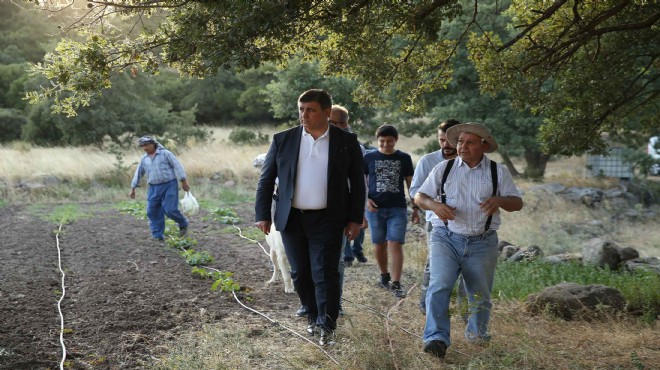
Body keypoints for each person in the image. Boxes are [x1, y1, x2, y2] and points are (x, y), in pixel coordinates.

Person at [255, 89, 365, 346]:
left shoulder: (345, 141)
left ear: (327, 113)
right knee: (300, 272)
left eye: (311, 110)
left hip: (329, 218)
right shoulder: (283, 139)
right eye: (301, 109)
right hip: (291, 218)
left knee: (325, 271)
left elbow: (357, 184)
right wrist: (262, 214)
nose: (304, 115)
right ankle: (313, 317)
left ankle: (327, 325)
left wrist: (354, 218)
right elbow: (266, 178)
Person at [414, 123, 523, 359]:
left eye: (469, 142)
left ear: (483, 145)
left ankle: (477, 337)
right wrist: (435, 205)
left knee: (479, 293)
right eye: (460, 141)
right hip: (445, 237)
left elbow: (517, 203)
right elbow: (419, 196)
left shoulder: (498, 171)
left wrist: (499, 200)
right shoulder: (444, 169)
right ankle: (436, 338)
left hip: (483, 241)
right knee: (439, 285)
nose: (462, 146)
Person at [409, 119, 461, 315]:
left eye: (450, 141)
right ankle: (426, 306)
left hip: (468, 223)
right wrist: (434, 204)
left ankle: (466, 310)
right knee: (434, 265)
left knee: (466, 270)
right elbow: (415, 191)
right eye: (441, 140)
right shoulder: (428, 161)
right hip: (436, 222)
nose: (446, 145)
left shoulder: (473, 160)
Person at [363, 124, 414, 298]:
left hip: (397, 208)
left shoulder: (404, 158)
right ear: (377, 140)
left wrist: (415, 207)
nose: (386, 145)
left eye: (390, 141)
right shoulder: (368, 158)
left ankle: (396, 282)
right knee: (379, 244)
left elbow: (410, 184)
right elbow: (361, 182)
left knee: (395, 243)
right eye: (382, 141)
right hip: (375, 208)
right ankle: (384, 275)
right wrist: (365, 201)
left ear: (396, 140)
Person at [329, 105, 369, 267]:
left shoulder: (357, 148)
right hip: (329, 204)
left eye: (332, 122)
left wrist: (362, 208)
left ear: (344, 124)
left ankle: (356, 250)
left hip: (351, 200)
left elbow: (362, 180)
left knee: (355, 228)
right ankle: (347, 256)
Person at [130, 136, 190, 240]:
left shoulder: (165, 154)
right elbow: (138, 173)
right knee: (152, 211)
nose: (145, 148)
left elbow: (178, 166)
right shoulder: (144, 159)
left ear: (153, 144)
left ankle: (183, 223)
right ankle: (157, 235)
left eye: (146, 145)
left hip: (169, 185)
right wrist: (133, 188)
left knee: (170, 210)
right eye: (143, 146)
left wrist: (183, 181)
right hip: (153, 187)